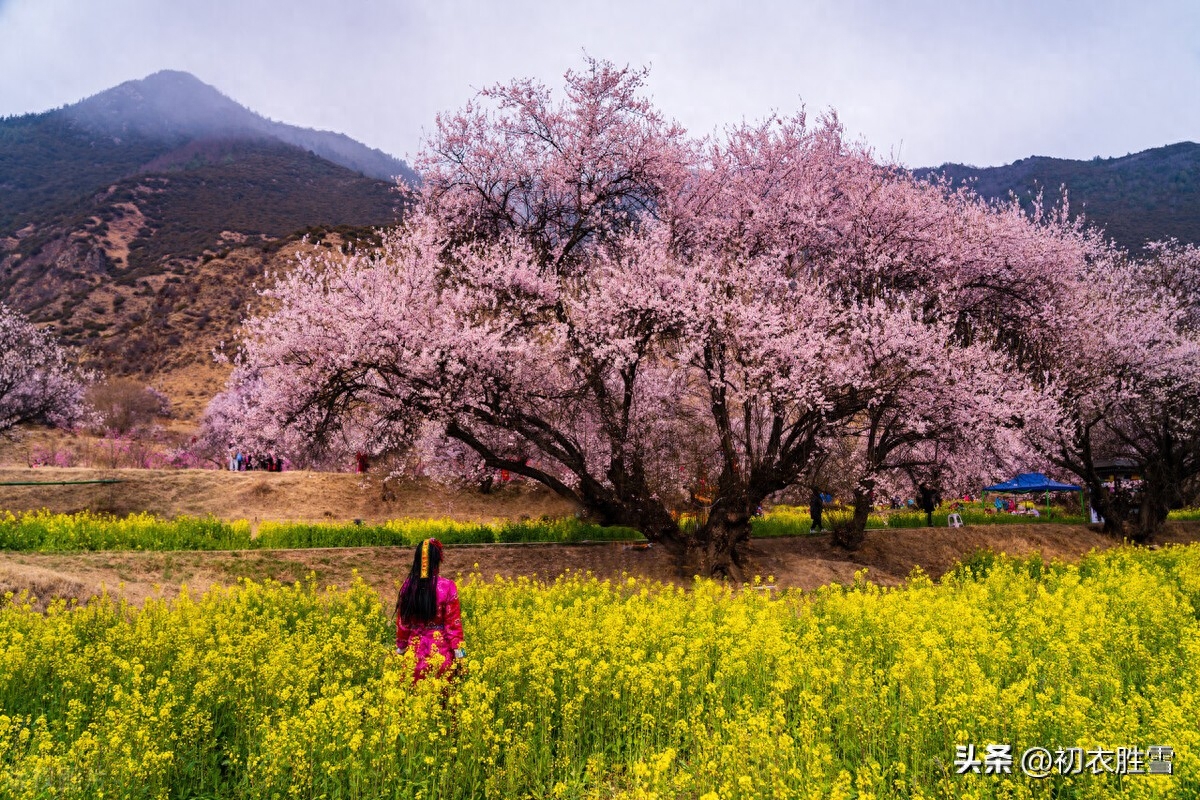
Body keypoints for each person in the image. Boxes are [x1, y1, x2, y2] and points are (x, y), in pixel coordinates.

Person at [396, 538, 465, 681]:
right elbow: (454, 626)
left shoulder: (407, 587)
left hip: (413, 659)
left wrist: (400, 650)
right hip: (441, 658)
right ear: (437, 560)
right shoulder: (447, 587)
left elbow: (403, 625)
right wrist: (461, 656)